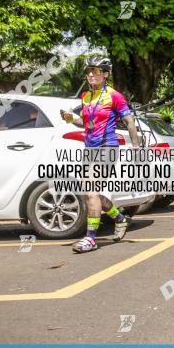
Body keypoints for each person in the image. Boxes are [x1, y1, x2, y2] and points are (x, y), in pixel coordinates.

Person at [59, 56, 138, 253]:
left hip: (108, 147)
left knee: (90, 190)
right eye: (89, 71)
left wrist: (136, 148)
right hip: (90, 148)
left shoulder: (114, 96)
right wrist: (71, 119)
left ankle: (91, 239)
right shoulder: (86, 97)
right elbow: (87, 124)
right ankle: (119, 218)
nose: (91, 75)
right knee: (91, 194)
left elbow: (129, 122)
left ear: (105, 74)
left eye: (95, 71)